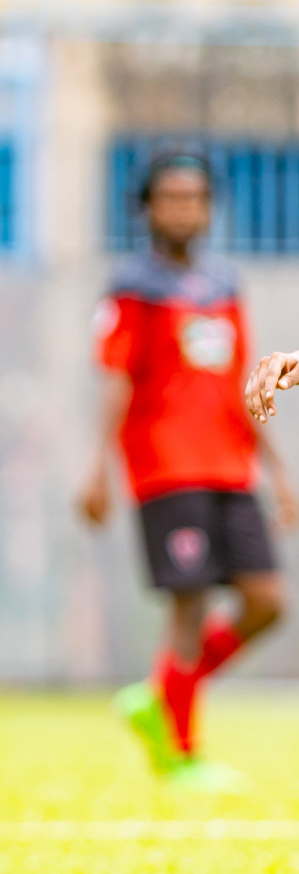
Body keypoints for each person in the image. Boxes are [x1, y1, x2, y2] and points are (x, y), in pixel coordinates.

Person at [79, 152, 294, 790]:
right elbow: (117, 379)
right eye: (170, 197)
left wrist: (279, 470)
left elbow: (241, 384)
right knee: (190, 603)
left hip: (232, 466)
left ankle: (160, 694)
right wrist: (99, 468)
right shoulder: (132, 287)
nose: (183, 208)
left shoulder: (224, 285)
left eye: (194, 197)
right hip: (167, 467)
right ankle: (180, 753)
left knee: (267, 603)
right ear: (145, 207)